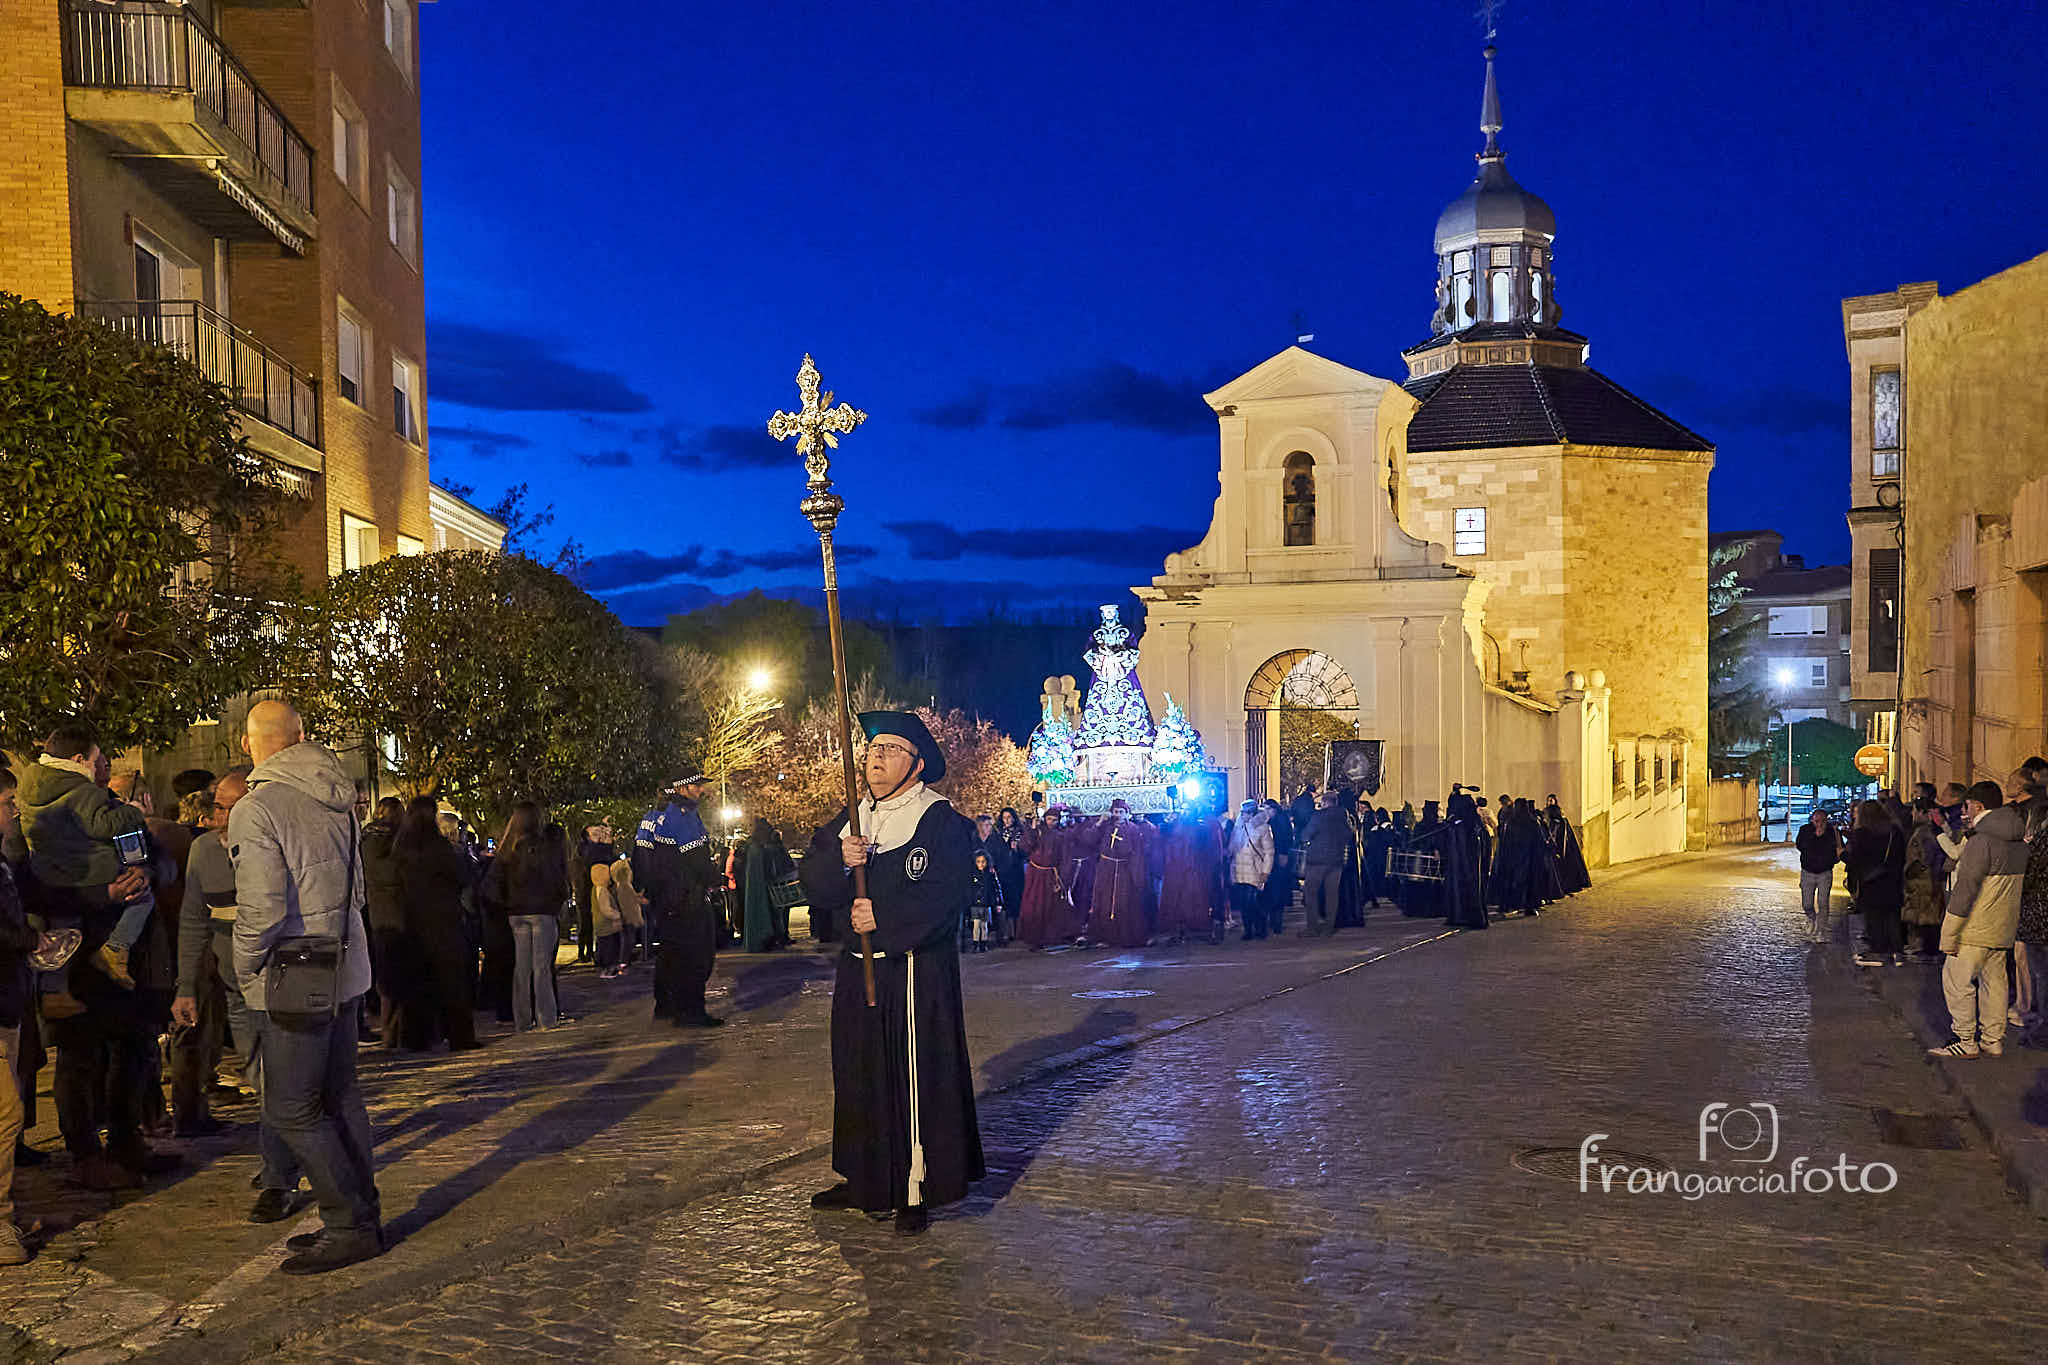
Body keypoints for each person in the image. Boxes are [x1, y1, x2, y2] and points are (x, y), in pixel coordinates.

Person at [800, 711, 985, 1236]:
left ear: (918, 765)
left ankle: (913, 1184)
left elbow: (946, 897)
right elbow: (812, 880)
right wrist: (840, 860)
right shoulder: (853, 816)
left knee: (911, 1078)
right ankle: (865, 1177)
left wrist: (884, 917)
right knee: (858, 1071)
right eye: (871, 748)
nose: (874, 757)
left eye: (890, 750)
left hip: (913, 975)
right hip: (857, 973)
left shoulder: (941, 822)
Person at [226, 700, 382, 1274]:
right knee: (340, 1096)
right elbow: (356, 893)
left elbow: (262, 909)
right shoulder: (338, 800)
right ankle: (363, 1212)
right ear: (300, 738)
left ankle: (350, 1223)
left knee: (291, 1107)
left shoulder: (258, 807)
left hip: (293, 976)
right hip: (344, 967)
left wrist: (244, 966)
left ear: (249, 744)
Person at [171, 770, 306, 1222]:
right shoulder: (204, 852)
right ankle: (280, 1165)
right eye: (218, 807)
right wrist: (186, 987)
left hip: (284, 985)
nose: (222, 817)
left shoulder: (275, 845)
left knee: (284, 1081)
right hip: (237, 988)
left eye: (230, 806)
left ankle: (282, 1170)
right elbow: (194, 921)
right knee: (263, 1080)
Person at [18, 723, 158, 1010]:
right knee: (142, 897)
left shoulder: (33, 788)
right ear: (79, 761)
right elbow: (102, 824)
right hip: (91, 876)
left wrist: (145, 867)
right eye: (98, 762)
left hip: (54, 875)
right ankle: (116, 948)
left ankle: (54, 991)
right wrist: (135, 812)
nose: (100, 770)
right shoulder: (83, 790)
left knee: (64, 926)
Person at [1930, 781, 2028, 1059]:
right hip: (2003, 926)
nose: (1966, 811)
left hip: (1973, 927)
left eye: (1968, 805)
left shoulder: (1980, 841)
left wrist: (1949, 933)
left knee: (1957, 981)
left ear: (1979, 806)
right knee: (1995, 982)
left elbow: (1966, 890)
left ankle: (1965, 1039)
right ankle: (1992, 1039)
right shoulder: (2018, 842)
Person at [391, 797, 480, 1051]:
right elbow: (461, 876)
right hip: (442, 918)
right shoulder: (439, 847)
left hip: (412, 919)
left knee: (418, 980)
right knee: (452, 981)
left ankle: (416, 1037)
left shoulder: (401, 848)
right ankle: (459, 1036)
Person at [635, 773, 722, 1027]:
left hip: (666, 897)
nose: (701, 791)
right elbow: (696, 858)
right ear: (681, 788)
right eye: (697, 786)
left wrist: (648, 890)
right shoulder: (683, 816)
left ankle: (667, 1004)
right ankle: (691, 1011)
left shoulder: (652, 819)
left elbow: (643, 858)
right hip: (686, 896)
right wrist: (714, 879)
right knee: (694, 955)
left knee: (670, 952)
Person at [1, 768, 41, 1264]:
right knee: (7, 1113)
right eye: (8, 801)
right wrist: (33, 941)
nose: (14, 810)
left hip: (7, 998)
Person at [482, 803, 565, 1033]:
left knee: (522, 968)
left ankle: (522, 1020)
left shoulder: (508, 848)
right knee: (542, 968)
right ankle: (546, 1018)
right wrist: (555, 902)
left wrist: (506, 903)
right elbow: (556, 878)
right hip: (541, 912)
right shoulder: (544, 846)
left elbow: (490, 884)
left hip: (517, 913)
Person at [1845, 800, 1907, 968]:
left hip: (1871, 882)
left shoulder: (1862, 833)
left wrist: (1843, 853)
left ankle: (1879, 951)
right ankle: (1896, 950)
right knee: (1892, 916)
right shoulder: (1895, 832)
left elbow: (1855, 859)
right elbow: (1901, 856)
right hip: (1892, 881)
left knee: (1874, 917)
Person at [1086, 802, 1153, 948]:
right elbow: (1089, 840)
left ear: (1127, 813)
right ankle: (1104, 937)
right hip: (1106, 868)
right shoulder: (1105, 827)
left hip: (1125, 868)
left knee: (1125, 901)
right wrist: (1100, 822)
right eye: (1115, 811)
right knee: (1105, 901)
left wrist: (1136, 873)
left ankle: (1127, 936)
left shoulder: (1134, 829)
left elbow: (1138, 852)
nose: (1118, 815)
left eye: (1121, 812)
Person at [1155, 809, 1222, 944]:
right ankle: (1182, 929)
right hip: (1182, 870)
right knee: (1182, 901)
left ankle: (1201, 929)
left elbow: (1209, 850)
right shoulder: (1175, 829)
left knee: (1194, 900)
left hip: (1194, 870)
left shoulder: (1202, 828)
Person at [1015, 811, 1080, 948]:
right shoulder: (1037, 832)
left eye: (1054, 820)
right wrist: (1032, 829)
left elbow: (1065, 859)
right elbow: (1026, 846)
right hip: (1035, 874)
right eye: (1049, 819)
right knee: (1034, 903)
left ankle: (1052, 935)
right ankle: (1034, 936)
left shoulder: (1061, 836)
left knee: (1052, 905)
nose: (1051, 822)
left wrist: (1062, 880)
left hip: (1051, 874)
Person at [740, 815, 795, 953]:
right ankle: (764, 939)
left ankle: (765, 939)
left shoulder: (755, 847)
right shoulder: (757, 848)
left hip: (760, 886)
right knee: (765, 913)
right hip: (762, 887)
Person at [1299, 793, 1351, 936]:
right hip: (1336, 861)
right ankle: (1329, 927)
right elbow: (1348, 835)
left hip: (1317, 860)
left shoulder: (1318, 817)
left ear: (1324, 802)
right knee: (1332, 895)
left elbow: (1305, 835)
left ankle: (1312, 928)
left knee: (1311, 893)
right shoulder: (1343, 818)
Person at [1227, 800, 1275, 940]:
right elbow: (1233, 846)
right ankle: (1248, 930)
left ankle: (1260, 927)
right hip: (1239, 870)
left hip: (1254, 870)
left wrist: (1266, 871)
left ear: (1253, 813)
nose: (1243, 814)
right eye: (1242, 812)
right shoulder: (1238, 826)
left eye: (1246, 812)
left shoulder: (1263, 828)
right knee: (1243, 903)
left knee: (1252, 902)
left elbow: (1269, 852)